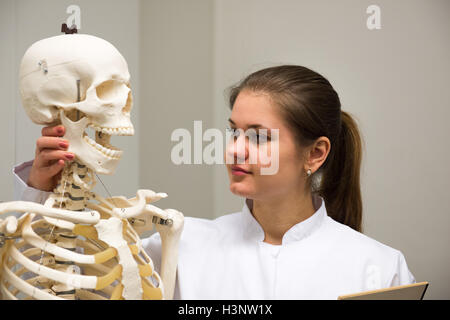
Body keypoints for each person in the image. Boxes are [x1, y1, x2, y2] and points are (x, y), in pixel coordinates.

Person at [13, 65, 415, 299]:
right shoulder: (176, 248)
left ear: (315, 154)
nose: (234, 151)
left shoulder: (380, 269)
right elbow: (46, 289)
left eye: (258, 136)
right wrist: (41, 190)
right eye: (234, 132)